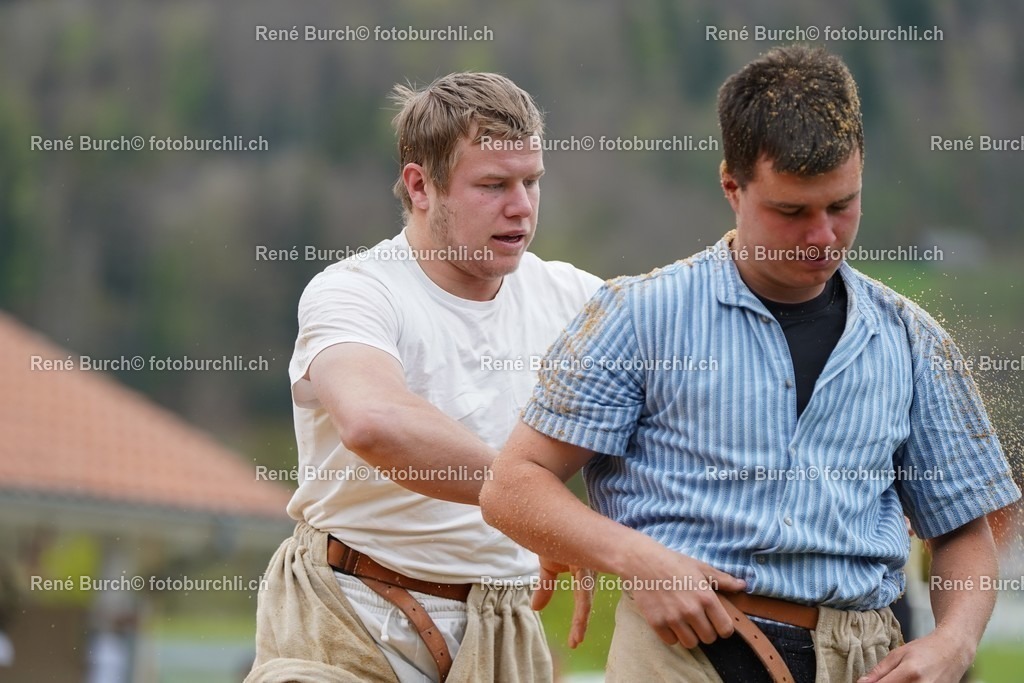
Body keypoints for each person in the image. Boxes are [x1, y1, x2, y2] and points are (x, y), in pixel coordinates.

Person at [480, 45, 1021, 683]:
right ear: (732, 187)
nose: (823, 236)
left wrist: (954, 642)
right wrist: (636, 560)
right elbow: (513, 485)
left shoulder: (912, 338)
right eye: (792, 212)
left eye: (841, 206)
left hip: (864, 658)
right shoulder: (638, 315)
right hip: (681, 656)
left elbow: (961, 529)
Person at [246, 72, 600, 683]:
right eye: (493, 185)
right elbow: (374, 421)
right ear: (420, 186)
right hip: (348, 609)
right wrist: (539, 505)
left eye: (531, 181)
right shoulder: (355, 291)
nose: (520, 205)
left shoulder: (574, 297)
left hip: (505, 626)